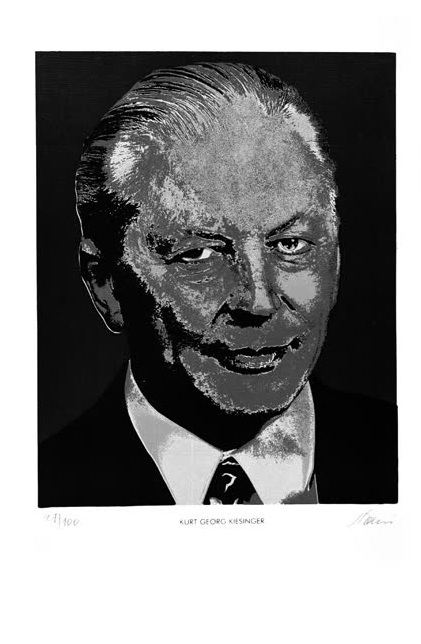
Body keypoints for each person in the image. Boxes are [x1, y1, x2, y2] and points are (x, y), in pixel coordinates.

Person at [38, 62, 397, 506]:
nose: (258, 301)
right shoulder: (39, 493)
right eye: (198, 254)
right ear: (105, 285)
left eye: (290, 244)